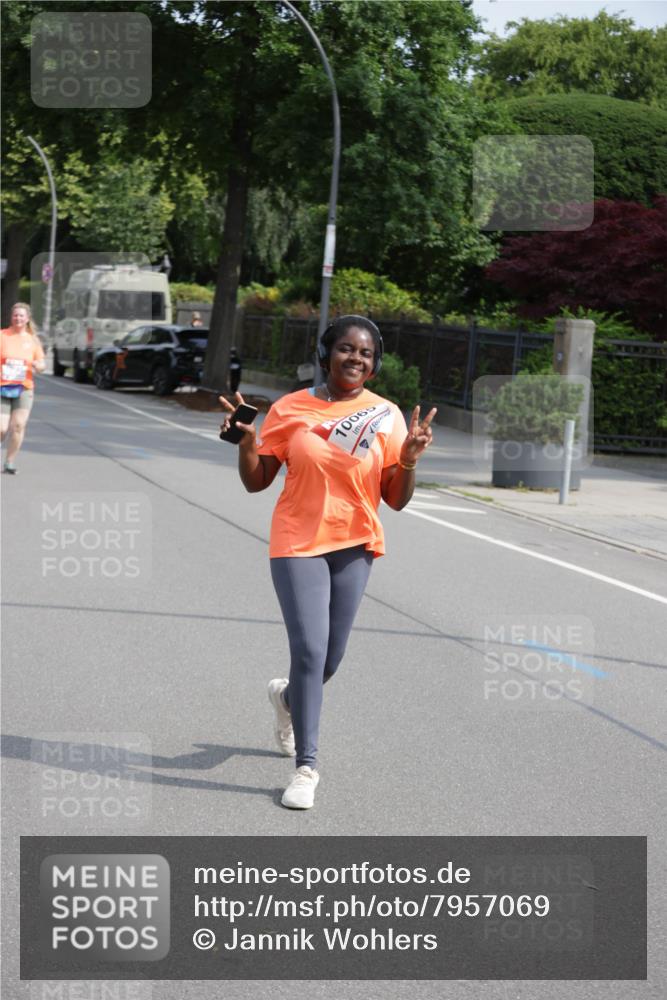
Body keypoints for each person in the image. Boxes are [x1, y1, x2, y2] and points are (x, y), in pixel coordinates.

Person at [219, 315, 436, 809]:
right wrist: (248, 443)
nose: (355, 358)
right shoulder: (290, 408)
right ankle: (306, 768)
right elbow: (257, 481)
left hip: (355, 542)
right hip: (297, 541)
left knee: (329, 660)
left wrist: (408, 459)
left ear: (374, 364)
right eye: (345, 349)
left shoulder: (386, 415)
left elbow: (396, 499)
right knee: (310, 652)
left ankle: (287, 699)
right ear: (325, 354)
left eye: (365, 353)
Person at [1, 302, 46, 475]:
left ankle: (10, 462)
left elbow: (41, 363)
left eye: (21, 315)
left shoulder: (32, 340)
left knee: (18, 426)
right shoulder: (2, 335)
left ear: (27, 319)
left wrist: (38, 365)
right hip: (2, 386)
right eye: (15, 315)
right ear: (11, 317)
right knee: (2, 428)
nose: (18, 318)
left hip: (23, 388)